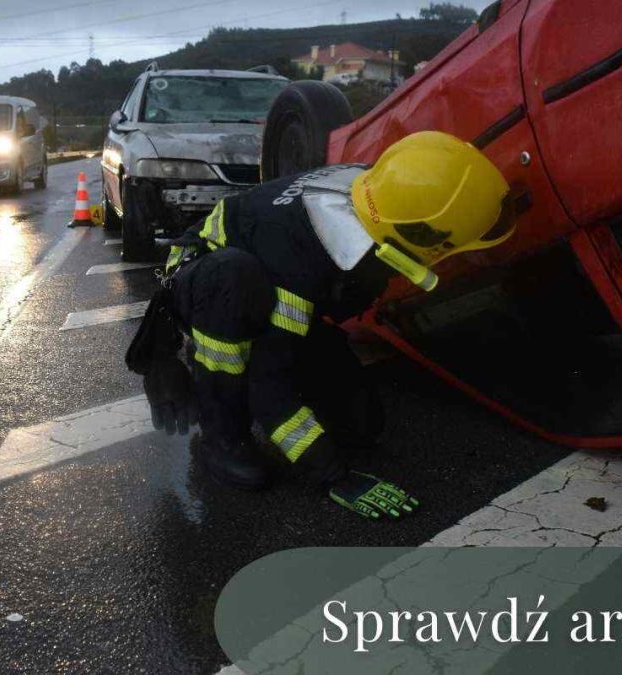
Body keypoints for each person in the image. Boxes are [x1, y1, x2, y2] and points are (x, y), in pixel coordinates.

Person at [125, 131, 527, 519]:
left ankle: (268, 377)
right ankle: (222, 435)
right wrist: (332, 475)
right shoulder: (299, 263)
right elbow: (270, 385)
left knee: (361, 425)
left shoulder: (381, 190)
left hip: (268, 276)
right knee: (236, 292)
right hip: (211, 280)